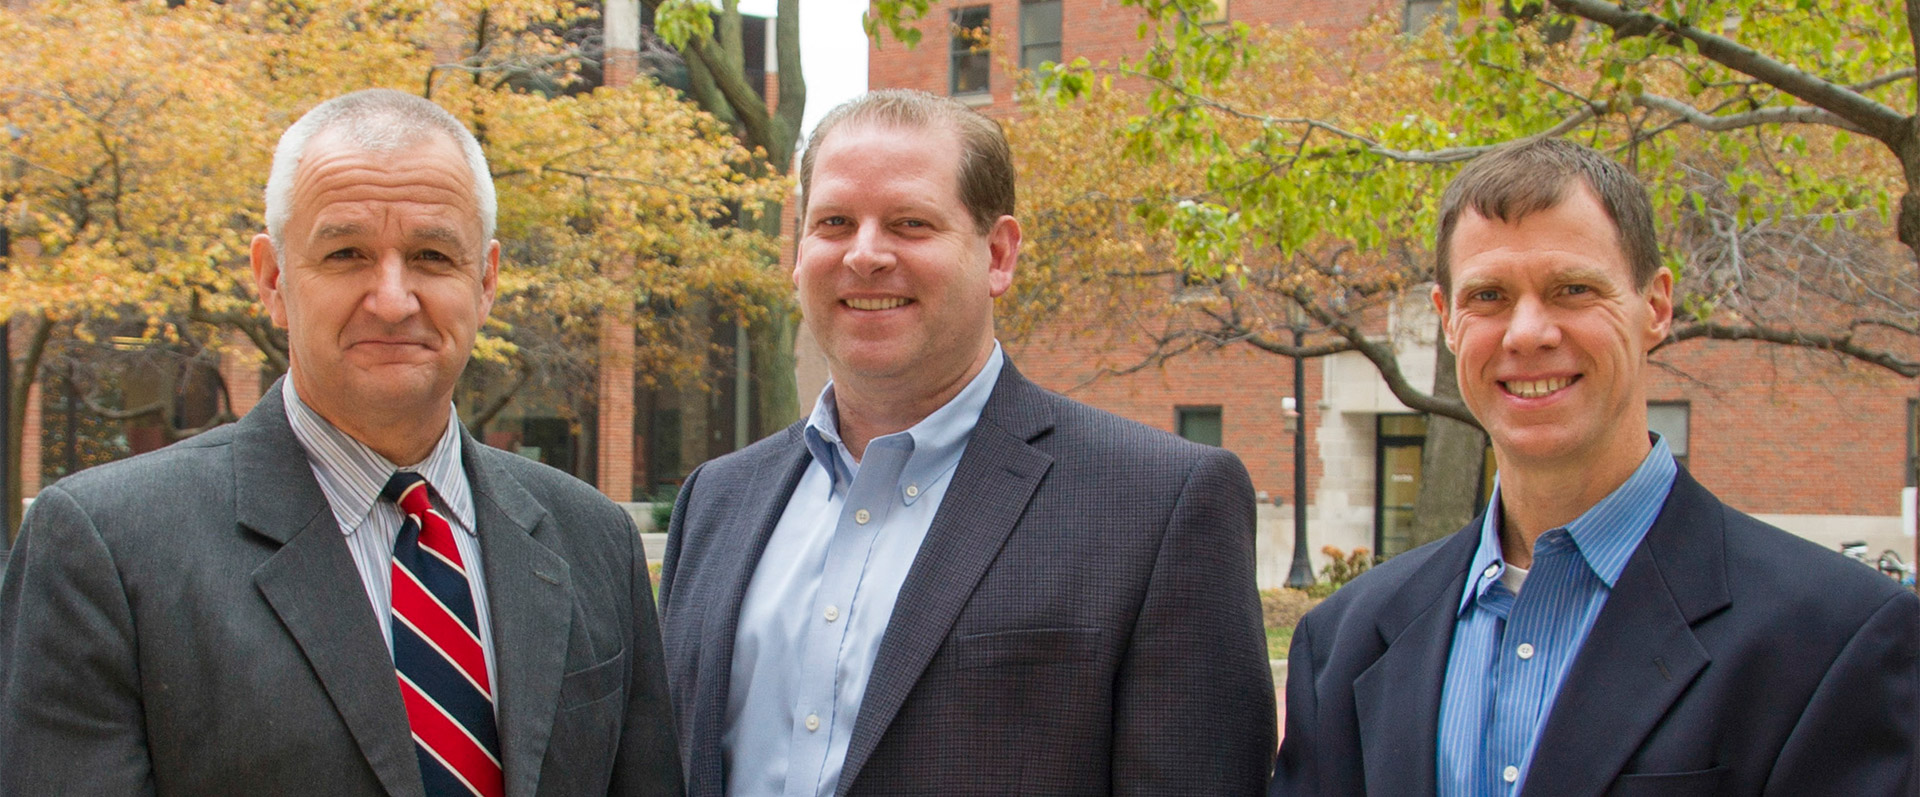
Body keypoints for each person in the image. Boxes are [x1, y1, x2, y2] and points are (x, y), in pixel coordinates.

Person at [0, 89, 682, 796]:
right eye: (347, 252)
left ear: (485, 281)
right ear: (271, 278)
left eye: (431, 255)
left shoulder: (592, 538)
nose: (392, 298)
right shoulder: (107, 548)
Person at [658, 89, 1275, 796]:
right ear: (798, 255)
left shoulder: (1158, 506)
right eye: (833, 222)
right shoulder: (715, 500)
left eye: (910, 223)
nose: (864, 255)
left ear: (999, 253)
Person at [1271, 138, 1920, 795]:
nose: (1527, 332)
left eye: (1572, 289)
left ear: (1656, 307)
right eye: (1489, 295)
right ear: (1446, 320)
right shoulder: (1344, 643)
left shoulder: (1834, 639)